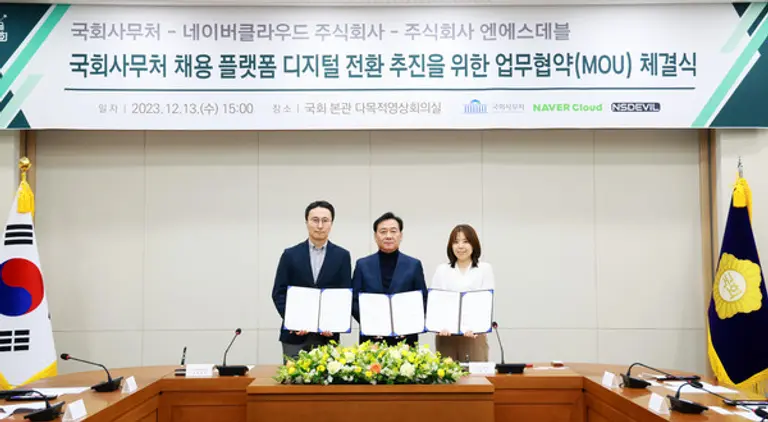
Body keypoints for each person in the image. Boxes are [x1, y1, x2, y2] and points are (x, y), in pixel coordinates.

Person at [271, 200, 352, 361]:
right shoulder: (290, 255)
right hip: (295, 335)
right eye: (315, 220)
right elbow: (279, 293)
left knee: (327, 376)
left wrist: (334, 323)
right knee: (293, 376)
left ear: (331, 223)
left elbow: (344, 294)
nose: (320, 225)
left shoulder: (342, 256)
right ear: (306, 222)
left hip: (327, 336)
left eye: (325, 220)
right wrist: (293, 321)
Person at [352, 212, 427, 348]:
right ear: (375, 236)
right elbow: (354, 301)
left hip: (405, 339)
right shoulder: (363, 265)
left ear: (400, 235)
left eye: (393, 231)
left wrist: (408, 325)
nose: (388, 236)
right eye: (383, 231)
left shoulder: (414, 265)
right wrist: (371, 324)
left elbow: (423, 300)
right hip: (371, 338)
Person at [431, 224, 494, 362]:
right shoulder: (442, 270)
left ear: (474, 244)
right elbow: (435, 303)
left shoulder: (484, 269)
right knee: (446, 374)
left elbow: (485, 303)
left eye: (465, 241)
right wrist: (439, 326)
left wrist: (476, 327)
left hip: (474, 335)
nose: (460, 246)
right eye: (456, 242)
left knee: (475, 374)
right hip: (446, 335)